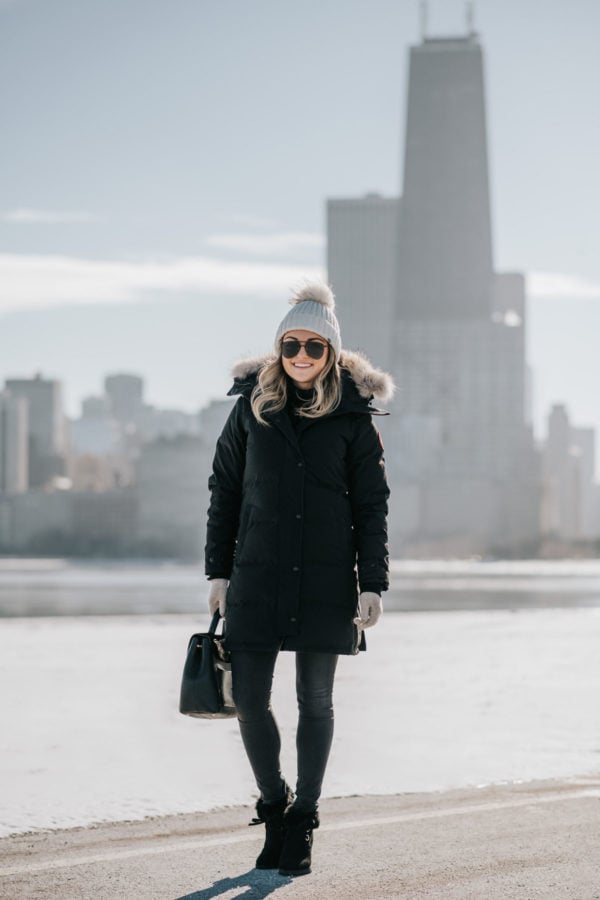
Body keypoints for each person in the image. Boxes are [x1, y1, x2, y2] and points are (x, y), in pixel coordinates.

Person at [204, 280, 393, 877]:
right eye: (291, 345)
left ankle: (304, 821)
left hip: (326, 579)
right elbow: (224, 493)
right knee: (251, 701)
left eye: (314, 346)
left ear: (332, 352)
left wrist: (372, 582)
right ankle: (274, 807)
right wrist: (218, 572)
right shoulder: (250, 410)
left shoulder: (354, 419)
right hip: (256, 575)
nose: (302, 357)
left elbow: (372, 505)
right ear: (278, 349)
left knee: (316, 701)